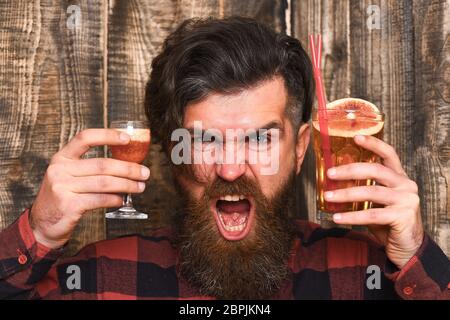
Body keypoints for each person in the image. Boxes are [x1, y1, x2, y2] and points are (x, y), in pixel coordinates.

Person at [0, 17, 448, 300]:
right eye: (205, 142)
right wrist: (36, 233)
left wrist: (415, 256)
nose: (231, 168)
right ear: (172, 153)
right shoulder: (97, 279)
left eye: (259, 139)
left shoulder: (368, 277)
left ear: (301, 150)